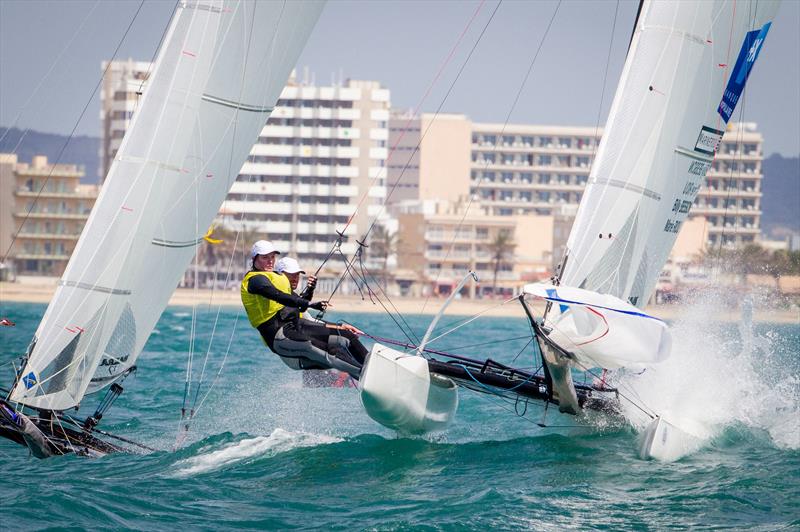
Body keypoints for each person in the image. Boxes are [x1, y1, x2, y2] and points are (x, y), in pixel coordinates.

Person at [240, 241, 364, 378]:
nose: (270, 261)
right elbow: (278, 296)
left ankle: (370, 363)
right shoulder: (254, 281)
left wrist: (339, 326)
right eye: (265, 258)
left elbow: (299, 308)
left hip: (296, 327)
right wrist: (310, 304)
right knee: (331, 351)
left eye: (272, 257)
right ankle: (365, 374)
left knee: (344, 336)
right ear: (254, 259)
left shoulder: (274, 278)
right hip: (280, 336)